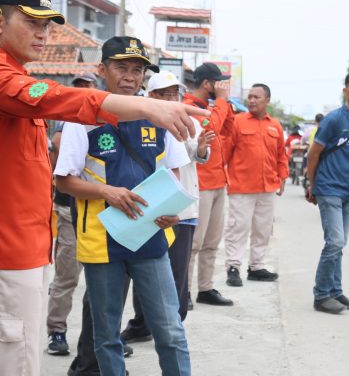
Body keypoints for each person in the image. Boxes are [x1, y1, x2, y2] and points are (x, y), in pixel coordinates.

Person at [0, 0, 208, 376]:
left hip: (39, 245)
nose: (45, 33)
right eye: (33, 21)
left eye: (49, 23)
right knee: (8, 372)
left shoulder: (10, 73)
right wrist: (150, 107)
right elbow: (63, 112)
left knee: (16, 372)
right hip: (16, 244)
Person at [55, 35, 208, 376]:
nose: (129, 77)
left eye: (138, 70)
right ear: (102, 69)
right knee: (106, 331)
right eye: (121, 67)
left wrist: (174, 209)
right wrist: (108, 193)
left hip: (152, 238)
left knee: (169, 329)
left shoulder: (160, 118)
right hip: (101, 238)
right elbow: (65, 180)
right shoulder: (80, 119)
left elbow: (174, 175)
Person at [121, 71, 214, 342]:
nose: (173, 99)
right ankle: (142, 324)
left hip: (180, 210)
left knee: (176, 273)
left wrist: (202, 149)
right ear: (152, 97)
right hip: (150, 208)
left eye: (176, 94)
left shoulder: (188, 122)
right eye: (166, 94)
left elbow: (196, 156)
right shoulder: (140, 120)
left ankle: (173, 325)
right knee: (145, 270)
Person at [305, 72, 349, 314]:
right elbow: (313, 155)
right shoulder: (333, 120)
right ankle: (321, 295)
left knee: (339, 244)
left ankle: (335, 291)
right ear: (346, 90)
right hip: (328, 188)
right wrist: (313, 185)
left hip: (347, 192)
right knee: (334, 242)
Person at [46, 73, 97, 356]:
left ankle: (100, 336)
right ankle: (57, 331)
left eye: (86, 87)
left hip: (99, 209)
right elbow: (56, 154)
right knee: (67, 275)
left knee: (102, 279)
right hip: (69, 207)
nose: (81, 91)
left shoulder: (104, 116)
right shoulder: (64, 118)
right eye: (77, 87)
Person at [223, 83, 288, 288]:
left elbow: (281, 154)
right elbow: (225, 152)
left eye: (256, 97)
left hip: (267, 187)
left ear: (267, 101)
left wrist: (282, 177)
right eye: (250, 97)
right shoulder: (237, 122)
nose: (251, 100)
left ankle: (256, 267)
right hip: (241, 186)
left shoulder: (275, 125)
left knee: (263, 229)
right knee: (238, 228)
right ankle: (233, 267)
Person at [183, 62, 234, 307]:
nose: (222, 87)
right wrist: (222, 101)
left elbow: (227, 129)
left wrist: (226, 102)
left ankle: (205, 287)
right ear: (206, 84)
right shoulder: (189, 106)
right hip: (199, 184)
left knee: (212, 242)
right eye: (218, 82)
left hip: (217, 183)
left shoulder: (212, 107)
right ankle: (186, 290)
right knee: (194, 243)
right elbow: (211, 126)